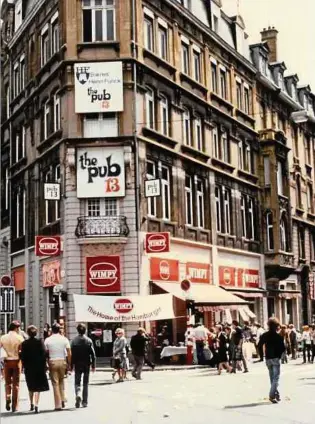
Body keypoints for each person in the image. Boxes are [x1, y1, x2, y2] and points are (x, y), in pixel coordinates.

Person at [20, 325, 49, 414]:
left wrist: (23, 366)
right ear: (36, 333)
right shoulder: (40, 342)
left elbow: (22, 356)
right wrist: (45, 365)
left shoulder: (24, 343)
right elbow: (44, 354)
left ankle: (31, 403)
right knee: (37, 387)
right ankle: (36, 405)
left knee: (31, 386)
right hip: (39, 367)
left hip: (29, 367)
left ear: (28, 333)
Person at [45, 323, 71, 410]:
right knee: (61, 381)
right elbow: (69, 351)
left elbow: (46, 352)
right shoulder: (64, 339)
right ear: (59, 329)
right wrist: (69, 363)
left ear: (52, 330)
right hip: (62, 361)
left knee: (55, 383)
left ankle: (58, 404)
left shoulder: (48, 340)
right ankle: (63, 398)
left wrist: (47, 362)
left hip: (53, 361)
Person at [258, 317, 285, 404]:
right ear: (276, 326)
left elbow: (259, 345)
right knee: (276, 378)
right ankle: (272, 395)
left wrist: (261, 356)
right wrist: (280, 356)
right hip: (276, 358)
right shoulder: (279, 337)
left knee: (272, 378)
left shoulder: (264, 335)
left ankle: (276, 394)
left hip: (268, 358)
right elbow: (283, 348)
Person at [0, 321, 24, 412]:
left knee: (7, 382)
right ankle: (15, 405)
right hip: (16, 361)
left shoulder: (3, 338)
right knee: (16, 384)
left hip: (6, 362)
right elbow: (22, 350)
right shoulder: (19, 338)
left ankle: (7, 397)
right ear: (16, 328)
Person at [71, 323, 96, 408]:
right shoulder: (89, 340)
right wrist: (93, 365)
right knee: (85, 383)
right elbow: (93, 354)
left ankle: (78, 393)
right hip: (86, 364)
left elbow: (72, 355)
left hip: (77, 364)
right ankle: (85, 402)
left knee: (77, 382)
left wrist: (71, 366)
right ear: (85, 330)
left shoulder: (74, 341)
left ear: (77, 330)